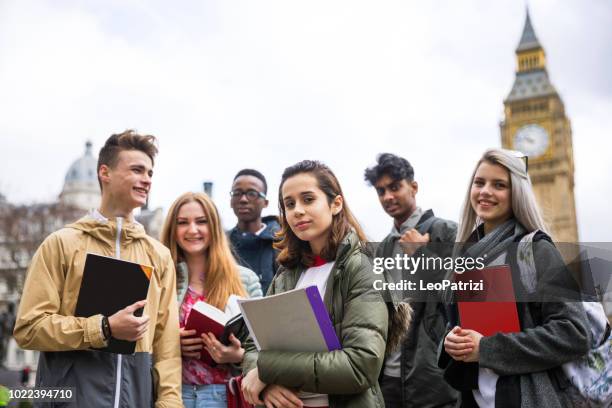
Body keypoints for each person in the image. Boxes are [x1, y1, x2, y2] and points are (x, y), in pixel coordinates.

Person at [13, 130, 182, 407]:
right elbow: (29, 328)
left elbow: (167, 349)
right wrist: (104, 328)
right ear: (105, 173)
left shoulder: (159, 256)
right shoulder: (61, 244)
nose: (147, 180)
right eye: (137, 170)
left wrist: (169, 404)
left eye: (150, 173)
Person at [241, 160, 403, 408]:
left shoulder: (362, 267)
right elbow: (254, 343)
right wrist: (268, 386)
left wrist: (267, 370)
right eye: (289, 204)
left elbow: (360, 365)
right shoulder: (285, 274)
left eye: (308, 199)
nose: (297, 211)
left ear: (336, 203)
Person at [440, 148, 590, 407]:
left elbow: (575, 332)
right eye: (480, 182)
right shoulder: (464, 257)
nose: (485, 191)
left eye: (499, 185)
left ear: (516, 193)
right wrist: (451, 342)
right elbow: (464, 331)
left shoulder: (535, 250)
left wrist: (486, 348)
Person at [364, 153, 459, 408]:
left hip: (433, 376)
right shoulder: (382, 248)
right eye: (381, 191)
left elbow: (466, 294)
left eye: (395, 187)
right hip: (388, 379)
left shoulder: (447, 232)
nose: (387, 197)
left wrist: (422, 255)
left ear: (413, 187)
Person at [160, 191, 262, 408]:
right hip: (173, 395)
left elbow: (264, 349)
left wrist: (237, 355)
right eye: (182, 223)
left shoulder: (245, 279)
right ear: (173, 229)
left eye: (201, 222)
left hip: (227, 395)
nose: (192, 230)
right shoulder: (160, 278)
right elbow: (142, 340)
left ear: (213, 227)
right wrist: (170, 342)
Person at [228, 169, 280, 294]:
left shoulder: (282, 244)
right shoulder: (221, 244)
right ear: (231, 201)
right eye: (237, 193)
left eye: (252, 193)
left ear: (265, 203)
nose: (243, 199)